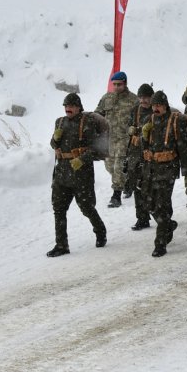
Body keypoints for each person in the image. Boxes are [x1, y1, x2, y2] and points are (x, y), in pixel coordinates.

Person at [47, 93, 108, 257]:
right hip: (62, 173)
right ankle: (61, 245)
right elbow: (54, 144)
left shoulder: (86, 122)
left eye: (71, 106)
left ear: (79, 107)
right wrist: (55, 139)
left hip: (81, 173)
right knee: (58, 209)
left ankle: (100, 230)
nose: (68, 109)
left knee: (86, 207)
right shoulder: (59, 122)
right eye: (66, 106)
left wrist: (82, 159)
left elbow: (95, 148)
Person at [140, 91, 187, 257]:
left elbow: (182, 148)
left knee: (162, 205)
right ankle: (167, 225)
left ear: (165, 106)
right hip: (150, 168)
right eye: (154, 105)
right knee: (148, 202)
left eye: (159, 105)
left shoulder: (175, 122)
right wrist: (144, 135)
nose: (156, 108)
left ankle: (160, 243)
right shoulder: (148, 121)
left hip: (167, 169)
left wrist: (186, 171)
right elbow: (142, 148)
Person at [94, 71, 138, 207]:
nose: (117, 87)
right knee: (109, 167)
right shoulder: (107, 98)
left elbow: (139, 117)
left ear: (125, 83)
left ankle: (116, 195)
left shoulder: (133, 100)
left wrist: (134, 130)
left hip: (124, 138)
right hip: (109, 139)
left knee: (119, 167)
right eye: (115, 85)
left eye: (119, 84)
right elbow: (98, 114)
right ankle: (128, 183)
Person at [126, 83, 154, 231]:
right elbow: (129, 130)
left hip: (150, 152)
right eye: (141, 97)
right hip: (136, 152)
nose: (143, 100)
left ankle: (160, 215)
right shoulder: (134, 111)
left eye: (146, 97)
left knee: (149, 186)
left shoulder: (156, 110)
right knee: (137, 185)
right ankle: (142, 218)